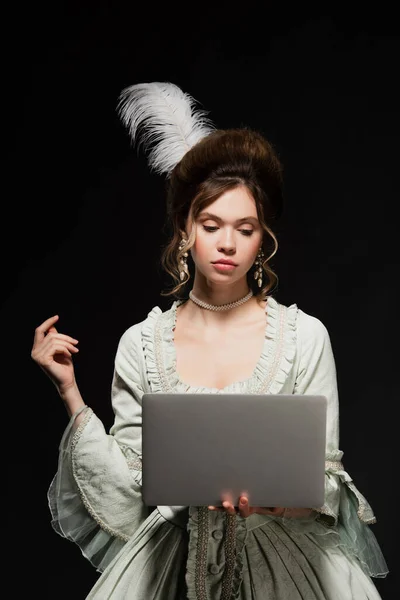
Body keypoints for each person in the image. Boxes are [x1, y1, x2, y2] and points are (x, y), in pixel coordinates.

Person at [32, 82, 388, 599]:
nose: (227, 243)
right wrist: (70, 393)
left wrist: (270, 500)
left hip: (286, 566)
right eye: (211, 223)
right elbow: (129, 494)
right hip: (169, 562)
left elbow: (324, 482)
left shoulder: (304, 337)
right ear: (185, 229)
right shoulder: (142, 343)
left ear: (263, 239)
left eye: (245, 229)